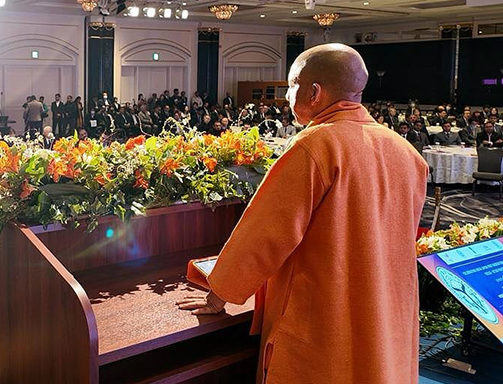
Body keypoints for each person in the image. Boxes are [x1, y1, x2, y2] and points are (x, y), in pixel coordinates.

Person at [177, 43, 428, 384]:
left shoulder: (315, 146)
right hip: (384, 310)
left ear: (314, 92)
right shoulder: (407, 153)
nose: (286, 96)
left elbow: (265, 234)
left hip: (324, 313)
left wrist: (218, 295)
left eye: (291, 85)